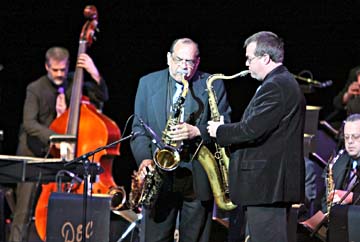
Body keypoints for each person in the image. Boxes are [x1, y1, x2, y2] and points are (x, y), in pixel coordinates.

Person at [207, 31, 306, 242]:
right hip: (267, 186)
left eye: (249, 58)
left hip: (267, 185)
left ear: (265, 58)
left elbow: (252, 130)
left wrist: (219, 131)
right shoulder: (279, 83)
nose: (246, 64)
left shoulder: (277, 86)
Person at [130, 38, 231, 242]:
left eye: (190, 62)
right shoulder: (147, 83)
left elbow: (225, 125)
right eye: (179, 60)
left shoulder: (213, 84)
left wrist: (196, 131)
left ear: (198, 62)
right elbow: (139, 129)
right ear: (168, 58)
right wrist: (145, 159)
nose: (184, 67)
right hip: (160, 174)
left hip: (197, 175)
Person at [9, 46, 108, 242]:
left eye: (63, 70)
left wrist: (94, 72)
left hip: (64, 158)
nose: (60, 74)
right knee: (23, 212)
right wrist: (58, 138)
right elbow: (29, 124)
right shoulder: (35, 89)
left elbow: (102, 96)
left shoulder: (75, 82)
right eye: (55, 70)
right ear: (47, 67)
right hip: (34, 155)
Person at [323, 113, 360, 209]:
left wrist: (352, 197)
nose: (350, 141)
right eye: (346, 137)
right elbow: (325, 200)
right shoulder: (339, 162)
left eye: (355, 136)